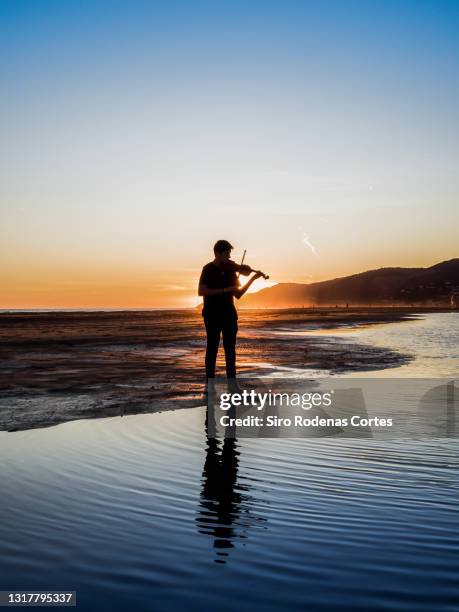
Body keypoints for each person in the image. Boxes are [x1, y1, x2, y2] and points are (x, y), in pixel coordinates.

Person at [198, 240, 263, 384]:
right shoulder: (208, 269)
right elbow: (201, 291)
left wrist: (252, 278)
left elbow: (238, 294)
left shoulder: (231, 270)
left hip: (229, 314)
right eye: (226, 253)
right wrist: (224, 290)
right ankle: (209, 383)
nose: (229, 257)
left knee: (230, 351)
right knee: (212, 348)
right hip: (212, 314)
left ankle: (232, 384)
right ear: (217, 253)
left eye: (229, 253)